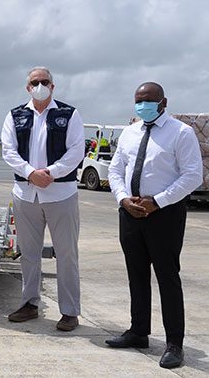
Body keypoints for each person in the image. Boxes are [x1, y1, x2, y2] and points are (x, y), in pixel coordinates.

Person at [105, 82, 202, 369]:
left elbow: (192, 176)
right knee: (136, 274)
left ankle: (174, 343)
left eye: (148, 100)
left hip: (165, 215)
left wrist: (156, 201)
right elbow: (114, 169)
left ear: (163, 102)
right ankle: (138, 332)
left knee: (167, 277)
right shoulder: (130, 133)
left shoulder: (181, 133)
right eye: (138, 100)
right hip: (130, 213)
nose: (142, 105)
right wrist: (123, 200)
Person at [0, 66, 84, 331]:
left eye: (44, 81)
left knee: (67, 254)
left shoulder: (68, 114)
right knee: (28, 254)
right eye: (35, 82)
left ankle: (70, 311)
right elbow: (8, 151)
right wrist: (30, 173)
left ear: (53, 86)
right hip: (26, 194)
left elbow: (76, 151)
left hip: (61, 193)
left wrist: (51, 173)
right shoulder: (15, 115)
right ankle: (29, 304)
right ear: (27, 87)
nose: (39, 85)